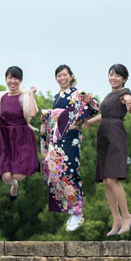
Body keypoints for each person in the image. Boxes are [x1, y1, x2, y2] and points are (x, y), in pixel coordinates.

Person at [40, 65, 98, 233]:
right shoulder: (57, 97)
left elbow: (94, 107)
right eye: (59, 75)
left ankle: (77, 211)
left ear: (71, 76)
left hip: (70, 137)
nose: (62, 78)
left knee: (69, 171)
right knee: (56, 173)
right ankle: (70, 208)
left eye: (65, 75)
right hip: (56, 138)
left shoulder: (76, 93)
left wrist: (88, 100)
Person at [85, 64, 131, 236]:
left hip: (115, 137)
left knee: (113, 179)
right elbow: (104, 115)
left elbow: (129, 102)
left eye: (117, 75)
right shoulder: (108, 96)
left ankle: (127, 216)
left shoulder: (124, 92)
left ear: (124, 79)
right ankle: (116, 219)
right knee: (106, 181)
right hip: (103, 137)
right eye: (111, 74)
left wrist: (129, 104)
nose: (113, 78)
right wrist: (89, 122)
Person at [0, 66, 40, 202]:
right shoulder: (2, 96)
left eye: (16, 78)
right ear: (6, 79)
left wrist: (31, 94)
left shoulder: (24, 95)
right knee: (7, 177)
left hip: (22, 137)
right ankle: (14, 186)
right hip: (6, 137)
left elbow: (32, 113)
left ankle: (18, 180)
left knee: (18, 175)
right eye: (10, 78)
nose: (12, 81)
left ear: (20, 80)